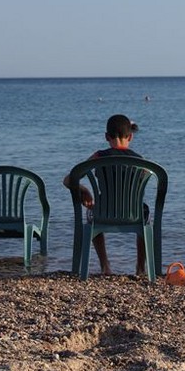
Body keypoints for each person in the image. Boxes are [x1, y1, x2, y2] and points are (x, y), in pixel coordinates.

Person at [63, 114, 147, 275]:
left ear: (106, 136)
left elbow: (68, 180)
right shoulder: (140, 161)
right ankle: (141, 268)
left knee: (91, 213)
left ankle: (105, 266)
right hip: (134, 214)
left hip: (102, 212)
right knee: (146, 216)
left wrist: (84, 190)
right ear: (130, 136)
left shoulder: (98, 157)